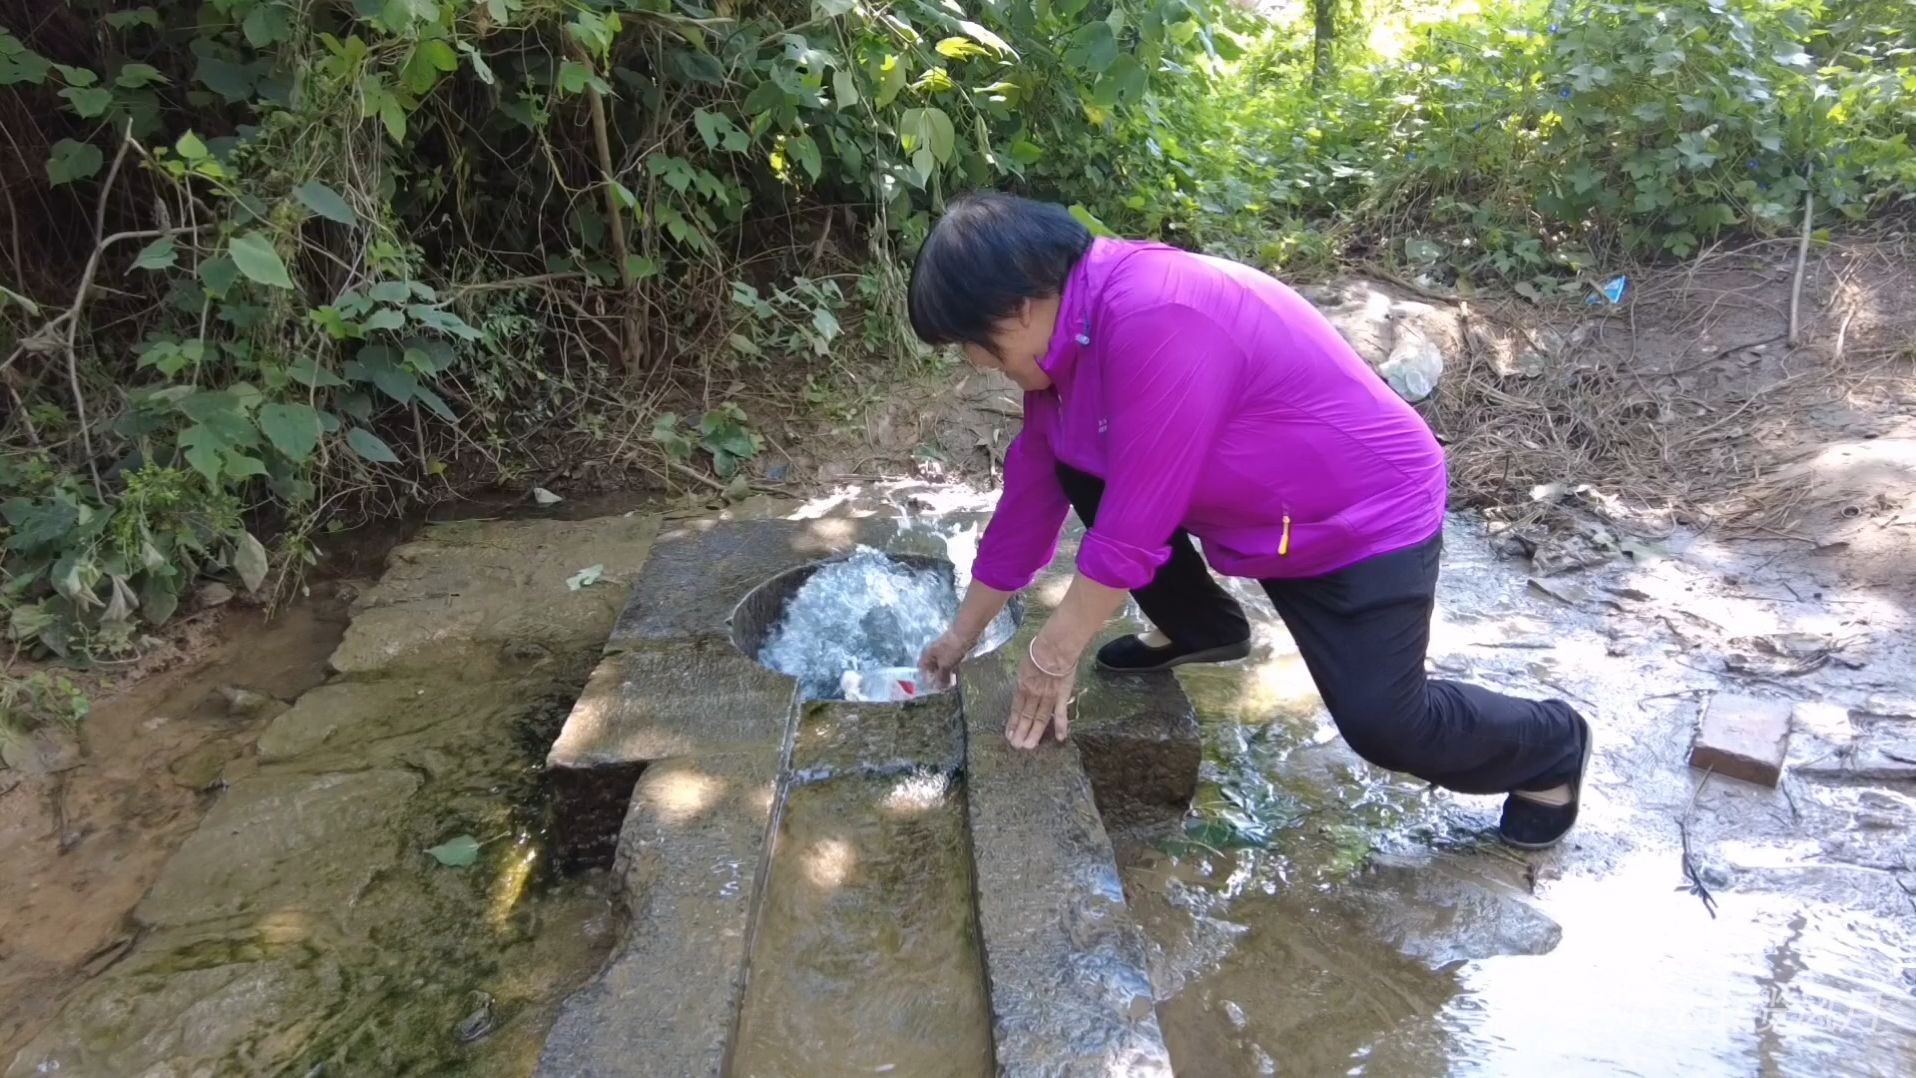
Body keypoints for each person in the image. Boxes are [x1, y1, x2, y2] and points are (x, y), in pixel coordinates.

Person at [909, 192, 1593, 849]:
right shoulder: (1067, 348)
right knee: (1078, 461)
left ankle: (1551, 749)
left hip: (1358, 514)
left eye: (977, 344)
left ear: (1024, 306)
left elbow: (1130, 533)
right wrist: (960, 635)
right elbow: (1029, 504)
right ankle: (1200, 626)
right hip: (1266, 514)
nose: (974, 362)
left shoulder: (1155, 313)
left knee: (1387, 725)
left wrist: (1051, 656)